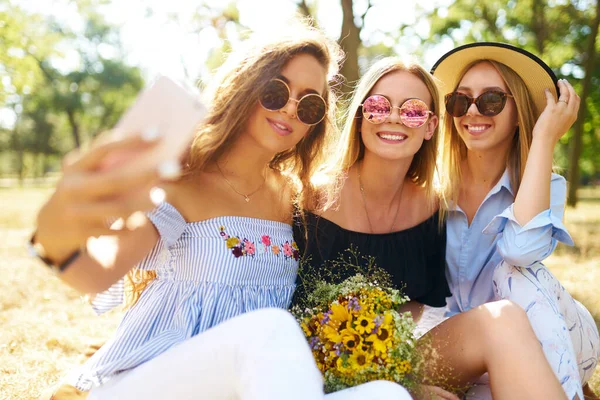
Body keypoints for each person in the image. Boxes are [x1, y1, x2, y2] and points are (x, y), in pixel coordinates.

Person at [33, 19, 412, 400]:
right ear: (246, 87)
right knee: (270, 328)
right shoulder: (183, 181)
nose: (290, 110)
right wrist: (55, 227)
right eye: (276, 91)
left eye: (310, 104)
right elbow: (97, 271)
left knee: (387, 395)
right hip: (149, 380)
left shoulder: (295, 199)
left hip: (255, 387)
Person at [294, 56, 569, 400]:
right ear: (361, 116)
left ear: (430, 126)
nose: (394, 117)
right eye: (379, 106)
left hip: (385, 358)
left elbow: (409, 315)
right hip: (300, 361)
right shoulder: (307, 197)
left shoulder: (432, 208)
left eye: (412, 110)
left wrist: (398, 377)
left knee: (502, 319)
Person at [431, 42, 600, 399]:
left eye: (491, 99)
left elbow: (521, 251)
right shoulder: (430, 189)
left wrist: (543, 139)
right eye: (460, 100)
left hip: (550, 332)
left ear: (518, 111)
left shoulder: (543, 184)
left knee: (515, 273)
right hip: (470, 349)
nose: (472, 112)